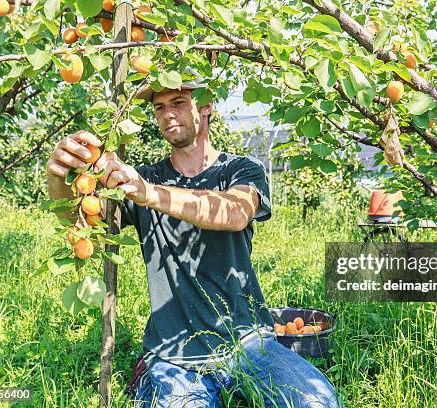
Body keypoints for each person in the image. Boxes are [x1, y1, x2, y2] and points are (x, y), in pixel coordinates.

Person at [46, 72, 340, 408]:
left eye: (178, 102)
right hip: (175, 353)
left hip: (246, 340)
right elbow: (85, 225)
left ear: (205, 106)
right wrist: (58, 177)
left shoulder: (239, 170)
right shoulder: (142, 179)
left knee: (318, 401)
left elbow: (235, 212)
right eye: (159, 107)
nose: (167, 113)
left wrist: (149, 194)